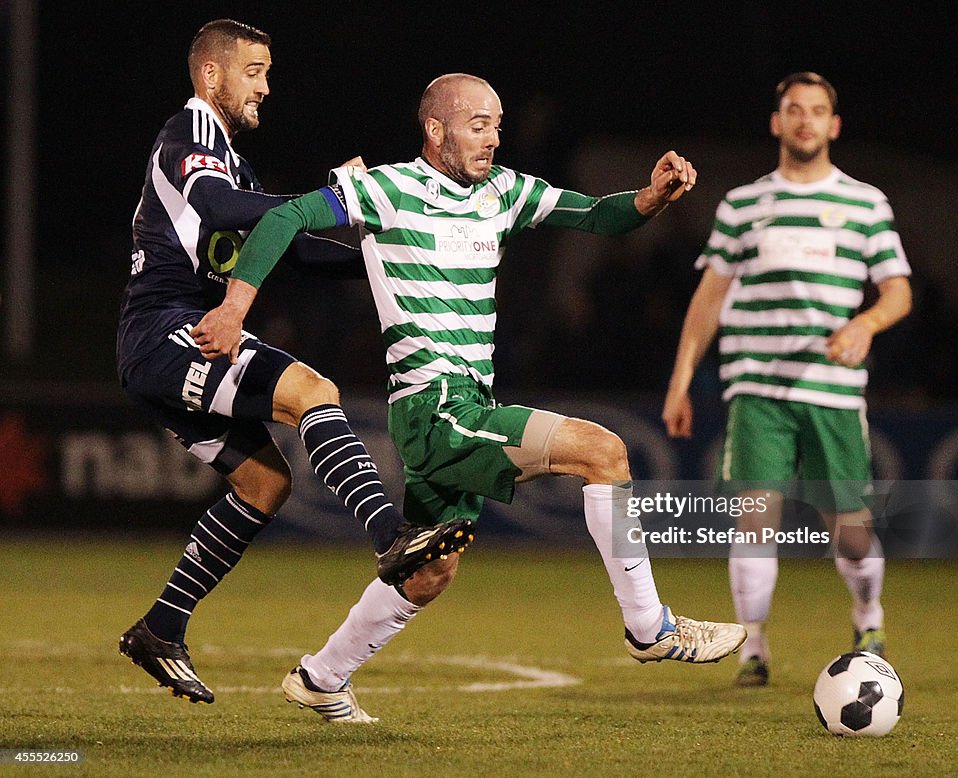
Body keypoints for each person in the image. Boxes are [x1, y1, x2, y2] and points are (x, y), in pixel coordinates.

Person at [193, 73, 748, 723]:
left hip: (463, 406)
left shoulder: (504, 192)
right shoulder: (386, 188)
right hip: (436, 407)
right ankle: (651, 629)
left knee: (431, 571)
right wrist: (235, 307)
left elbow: (598, 215)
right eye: (478, 124)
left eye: (498, 124)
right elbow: (288, 216)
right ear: (436, 130)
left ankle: (322, 675)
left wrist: (650, 198)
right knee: (604, 452)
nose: (493, 137)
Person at [116, 20, 470, 707]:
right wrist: (334, 199)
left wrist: (384, 265)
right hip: (171, 329)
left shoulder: (232, 161)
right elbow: (220, 209)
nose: (266, 87)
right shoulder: (187, 138)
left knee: (264, 484)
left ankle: (162, 628)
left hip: (174, 341)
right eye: (254, 72)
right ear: (212, 75)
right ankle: (391, 537)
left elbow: (292, 249)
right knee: (311, 388)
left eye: (268, 73)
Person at [661, 72, 913, 686]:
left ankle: (867, 613)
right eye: (794, 110)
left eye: (818, 110)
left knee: (851, 531)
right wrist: (681, 377)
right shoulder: (744, 204)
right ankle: (754, 650)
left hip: (830, 389)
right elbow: (710, 297)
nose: (805, 120)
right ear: (777, 122)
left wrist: (866, 325)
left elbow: (898, 291)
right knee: (753, 519)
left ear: (834, 125)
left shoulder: (864, 202)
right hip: (757, 388)